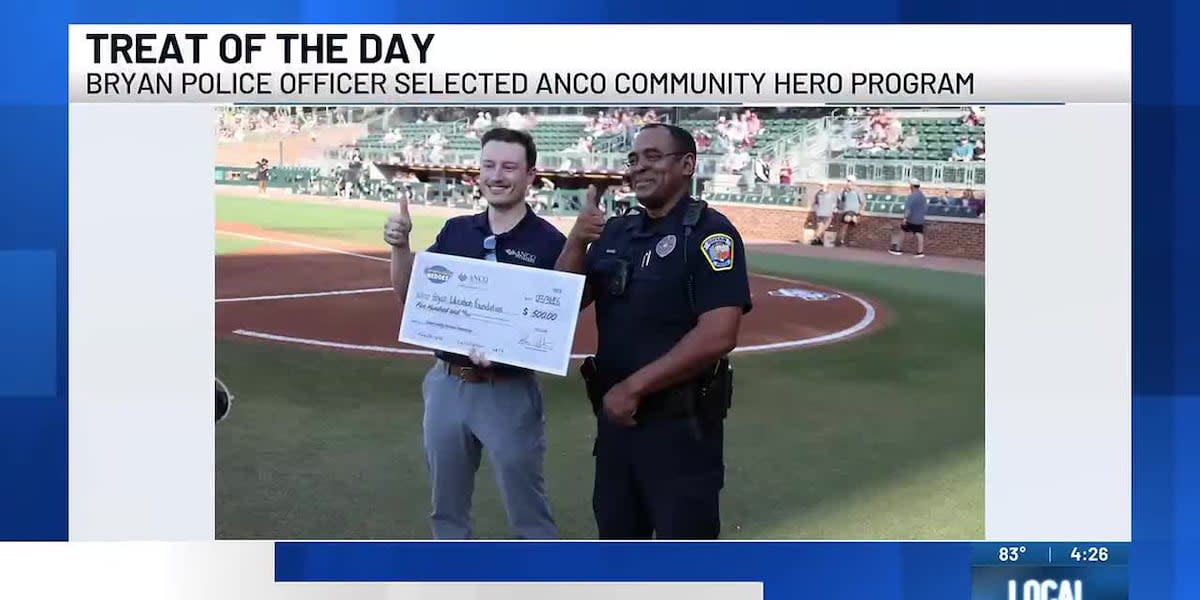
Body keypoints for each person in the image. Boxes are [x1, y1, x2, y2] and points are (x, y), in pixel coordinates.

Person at [555, 123, 752, 539]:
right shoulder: (617, 231)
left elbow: (719, 334)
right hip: (617, 429)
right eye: (633, 159)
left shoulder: (711, 234)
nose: (638, 167)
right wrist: (576, 242)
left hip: (680, 431)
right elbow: (560, 302)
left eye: (652, 157)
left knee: (684, 563)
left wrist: (634, 389)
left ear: (687, 165)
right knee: (618, 544)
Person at [383, 128, 565, 539]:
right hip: (447, 385)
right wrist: (400, 246)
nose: (496, 175)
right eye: (488, 165)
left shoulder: (550, 243)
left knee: (528, 512)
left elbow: (551, 323)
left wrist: (508, 351)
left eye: (508, 166)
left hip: (508, 390)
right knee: (445, 512)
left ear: (530, 175)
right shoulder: (455, 231)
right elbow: (412, 297)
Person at [890, 178, 928, 258]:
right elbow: (925, 208)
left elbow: (908, 209)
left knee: (902, 231)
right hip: (920, 218)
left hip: (911, 218)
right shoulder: (922, 196)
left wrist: (905, 218)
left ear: (912, 186)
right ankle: (920, 251)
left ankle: (898, 248)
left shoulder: (912, 196)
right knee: (919, 234)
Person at [836, 175, 864, 246]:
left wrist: (861, 210)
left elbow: (863, 202)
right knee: (845, 223)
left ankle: (850, 240)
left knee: (853, 223)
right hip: (846, 210)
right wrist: (838, 208)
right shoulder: (843, 191)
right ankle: (841, 241)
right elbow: (840, 201)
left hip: (855, 211)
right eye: (848, 181)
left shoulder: (858, 190)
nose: (849, 183)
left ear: (854, 182)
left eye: (850, 181)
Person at [810, 181, 837, 246]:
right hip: (826, 212)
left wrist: (816, 209)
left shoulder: (818, 193)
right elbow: (834, 203)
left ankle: (819, 240)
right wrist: (833, 209)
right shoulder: (831, 193)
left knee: (820, 227)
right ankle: (815, 238)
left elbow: (816, 203)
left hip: (821, 212)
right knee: (823, 227)